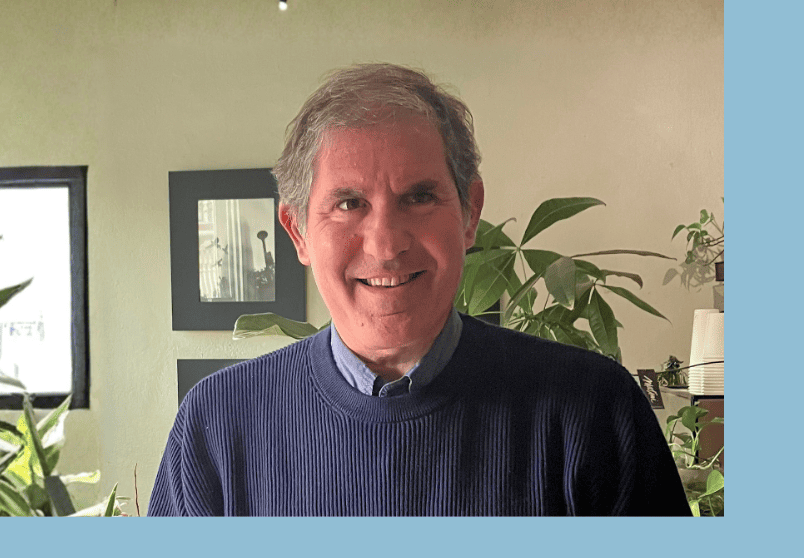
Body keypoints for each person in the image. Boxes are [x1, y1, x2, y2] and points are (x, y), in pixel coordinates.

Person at [149, 63, 689, 516]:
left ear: (470, 213)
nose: (385, 245)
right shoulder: (217, 424)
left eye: (419, 196)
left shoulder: (593, 412)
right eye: (348, 204)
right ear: (297, 232)